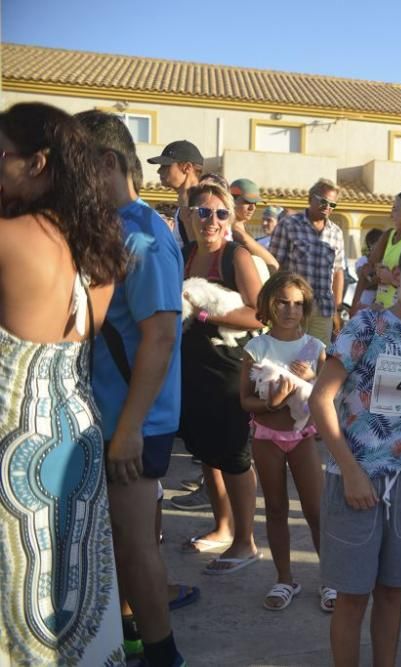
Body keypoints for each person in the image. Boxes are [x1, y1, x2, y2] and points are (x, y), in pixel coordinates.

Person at [0, 102, 129, 665]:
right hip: (75, 430)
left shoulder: (9, 240)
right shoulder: (101, 251)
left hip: (13, 434)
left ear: (37, 163)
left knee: (17, 585)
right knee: (71, 578)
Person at [309, 233, 401, 667]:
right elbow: (321, 400)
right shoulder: (366, 326)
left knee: (393, 593)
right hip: (353, 481)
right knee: (352, 598)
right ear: (397, 275)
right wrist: (351, 471)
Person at [77, 110, 187, 667]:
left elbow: (161, 336)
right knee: (120, 544)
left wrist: (127, 431)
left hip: (134, 422)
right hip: (116, 415)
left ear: (107, 163)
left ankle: (165, 656)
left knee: (136, 545)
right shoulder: (112, 228)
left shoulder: (143, 236)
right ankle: (137, 640)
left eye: (76, 168)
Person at [177, 182, 264, 574]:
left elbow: (262, 315)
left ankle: (246, 541)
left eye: (221, 213)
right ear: (189, 216)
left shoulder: (236, 256)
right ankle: (223, 527)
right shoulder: (184, 254)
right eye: (203, 212)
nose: (212, 220)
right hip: (191, 370)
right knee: (206, 454)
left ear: (230, 219)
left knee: (233, 456)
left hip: (229, 369)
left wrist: (208, 314)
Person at [239, 272, 330, 611]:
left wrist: (312, 380)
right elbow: (244, 400)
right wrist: (272, 403)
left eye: (298, 304)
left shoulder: (315, 348)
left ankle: (330, 580)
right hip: (266, 437)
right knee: (275, 509)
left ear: (305, 308)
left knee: (316, 510)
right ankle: (284, 578)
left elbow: (329, 397)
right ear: (268, 304)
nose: (290, 310)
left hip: (303, 437)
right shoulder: (256, 347)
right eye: (282, 302)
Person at [269, 178, 346, 344]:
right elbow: (274, 265)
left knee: (316, 357)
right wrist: (276, 301)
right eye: (324, 201)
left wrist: (336, 308)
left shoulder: (336, 232)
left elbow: (338, 271)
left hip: (323, 309)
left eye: (333, 204)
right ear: (310, 199)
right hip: (294, 306)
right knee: (290, 354)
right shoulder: (289, 225)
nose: (328, 207)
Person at [147, 139, 204, 246]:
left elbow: (199, 250)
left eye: (166, 166)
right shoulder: (185, 203)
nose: (159, 171)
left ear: (187, 167)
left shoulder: (202, 205)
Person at [230, 177, 279, 272]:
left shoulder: (242, 229)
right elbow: (273, 265)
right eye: (247, 202)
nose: (252, 207)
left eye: (255, 203)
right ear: (232, 201)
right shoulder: (232, 231)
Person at [348, 227, 384, 315]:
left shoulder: (385, 261)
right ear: (371, 244)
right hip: (364, 305)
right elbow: (363, 282)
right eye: (380, 243)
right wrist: (382, 280)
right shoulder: (363, 261)